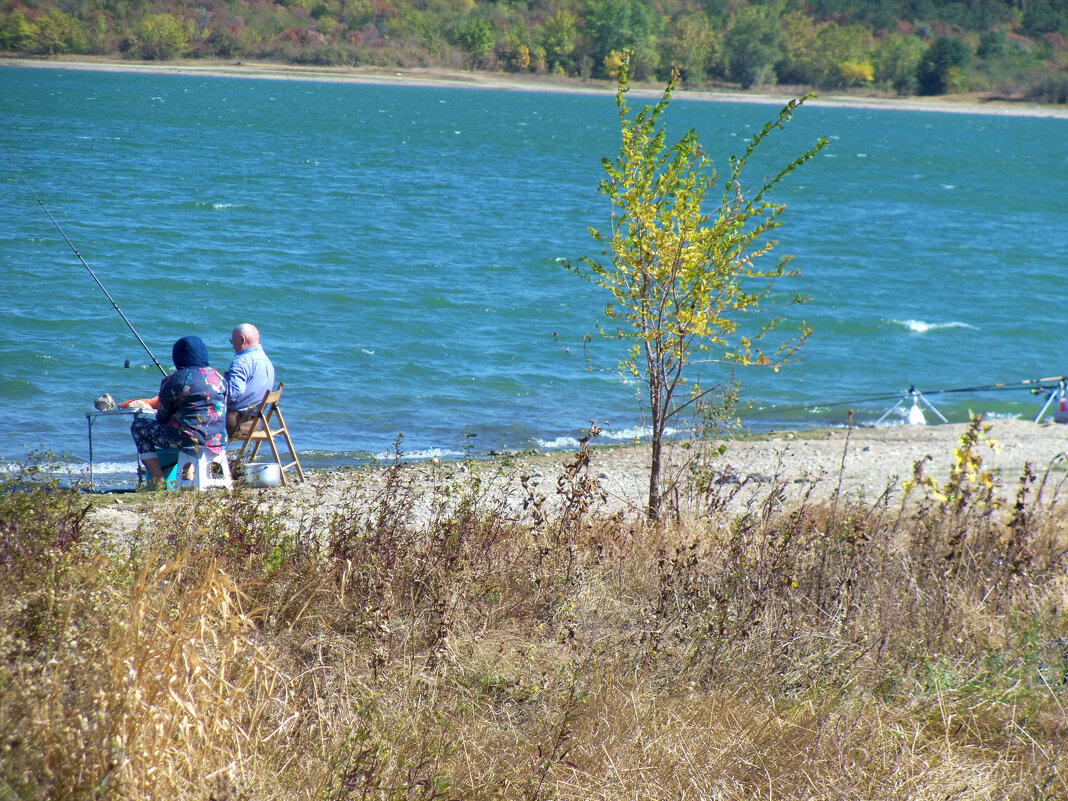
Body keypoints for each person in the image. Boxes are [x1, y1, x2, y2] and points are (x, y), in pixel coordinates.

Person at [130, 336, 227, 485]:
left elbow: (162, 415)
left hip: (187, 439)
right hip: (217, 438)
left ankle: (157, 480)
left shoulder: (175, 379)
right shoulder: (219, 377)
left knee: (138, 426)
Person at [224, 322, 275, 438]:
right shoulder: (267, 362)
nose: (232, 346)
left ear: (242, 340)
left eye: (233, 341)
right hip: (253, 423)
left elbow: (233, 393)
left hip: (234, 423)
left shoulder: (242, 361)